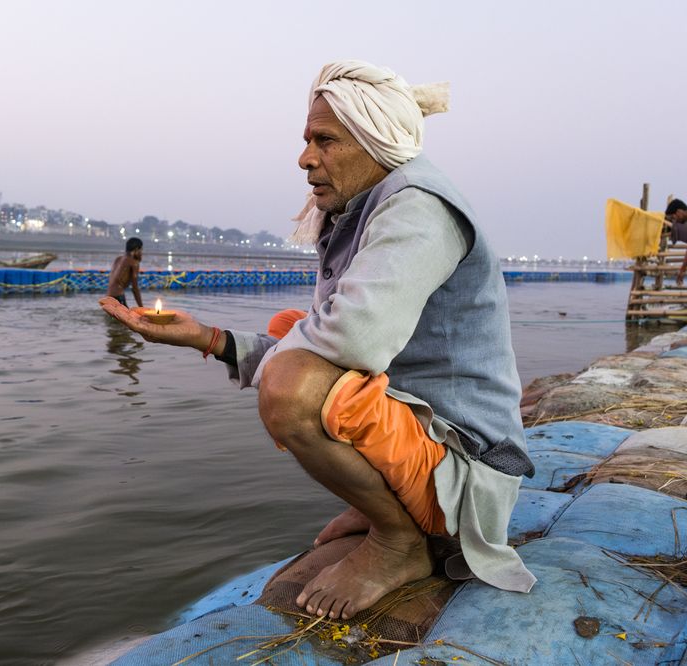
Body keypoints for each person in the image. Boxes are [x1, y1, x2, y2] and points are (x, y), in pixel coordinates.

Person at [100, 60, 536, 620]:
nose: (305, 158)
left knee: (292, 383)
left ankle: (400, 541)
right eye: (308, 141)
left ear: (375, 141)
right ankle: (390, 508)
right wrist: (206, 338)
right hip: (422, 439)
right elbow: (326, 337)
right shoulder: (366, 209)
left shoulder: (419, 207)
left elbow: (352, 340)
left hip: (465, 470)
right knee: (292, 331)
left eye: (324, 141)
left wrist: (272, 368)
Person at [107, 237, 144, 308]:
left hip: (108, 297)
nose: (142, 253)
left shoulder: (118, 259)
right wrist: (141, 307)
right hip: (118, 297)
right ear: (136, 249)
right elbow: (135, 288)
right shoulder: (134, 263)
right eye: (141, 250)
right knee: (130, 315)